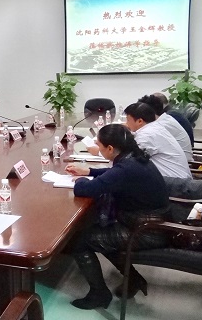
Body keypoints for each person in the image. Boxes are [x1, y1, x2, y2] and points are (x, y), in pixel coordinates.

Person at [64, 124, 170, 310]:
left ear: (110, 148)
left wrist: (81, 180)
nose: (98, 148)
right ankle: (134, 279)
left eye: (99, 145)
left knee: (80, 241)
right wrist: (89, 172)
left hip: (145, 232)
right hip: (152, 224)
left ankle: (99, 294)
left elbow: (84, 189)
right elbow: (114, 174)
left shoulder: (126, 169)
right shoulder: (135, 158)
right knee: (102, 237)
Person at [124, 102, 192, 179]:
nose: (126, 123)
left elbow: (128, 158)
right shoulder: (155, 127)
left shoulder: (147, 135)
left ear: (140, 121)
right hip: (178, 178)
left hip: (174, 182)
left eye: (128, 120)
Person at [138, 94, 193, 160]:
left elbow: (144, 144)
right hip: (179, 158)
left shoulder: (162, 124)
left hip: (183, 161)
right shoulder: (166, 118)